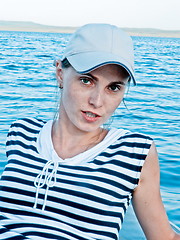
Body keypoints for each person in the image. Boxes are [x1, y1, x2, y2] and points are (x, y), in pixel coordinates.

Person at [0, 23, 179, 240]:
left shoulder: (134, 152)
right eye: (86, 80)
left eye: (113, 87)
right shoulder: (22, 132)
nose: (97, 101)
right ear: (60, 74)